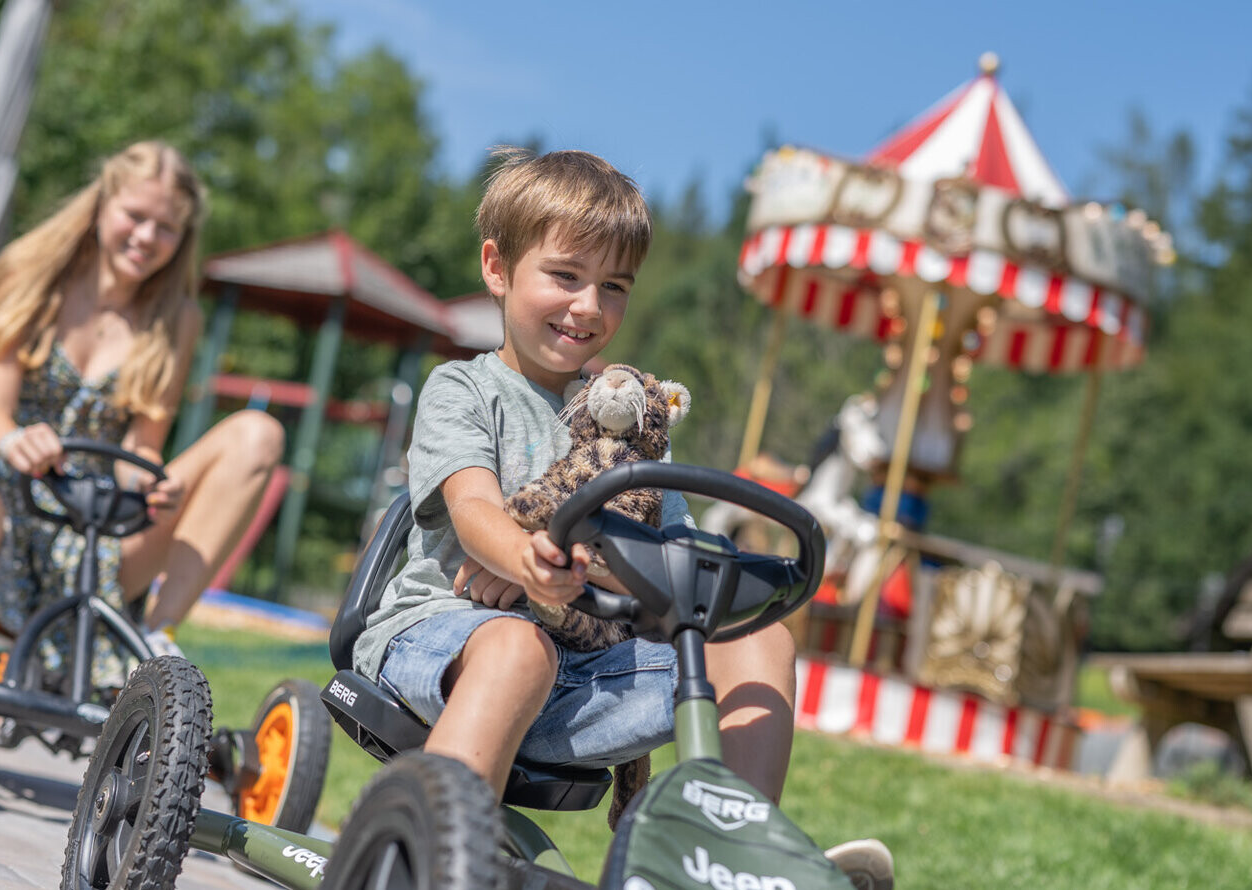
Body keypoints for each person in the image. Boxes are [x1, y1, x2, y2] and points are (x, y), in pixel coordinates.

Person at [349, 148, 891, 889]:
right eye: (565, 276)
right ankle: (435, 857)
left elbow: (670, 567)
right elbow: (472, 508)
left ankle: (729, 861)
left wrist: (600, 577)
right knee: (517, 648)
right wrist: (524, 558)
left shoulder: (633, 428)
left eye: (613, 287)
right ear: (498, 268)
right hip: (444, 640)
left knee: (755, 640)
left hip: (587, 670)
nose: (588, 307)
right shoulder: (464, 390)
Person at [0, 139, 283, 672]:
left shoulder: (177, 318)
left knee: (259, 434)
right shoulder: (34, 275)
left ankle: (155, 646)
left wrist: (148, 482)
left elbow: (140, 446)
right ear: (102, 205)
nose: (146, 237)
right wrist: (15, 442)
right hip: (1, 516)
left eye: (166, 228)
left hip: (96, 533)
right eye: (135, 216)